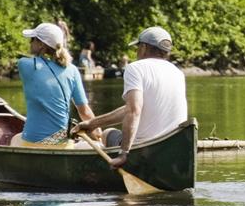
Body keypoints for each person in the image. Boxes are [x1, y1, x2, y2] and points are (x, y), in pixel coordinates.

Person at [71, 26, 187, 168]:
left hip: (144, 148)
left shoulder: (135, 68)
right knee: (109, 130)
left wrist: (124, 153)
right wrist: (93, 123)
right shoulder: (177, 73)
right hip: (172, 146)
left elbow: (134, 110)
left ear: (144, 47)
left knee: (108, 134)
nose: (137, 51)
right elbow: (132, 109)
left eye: (138, 47)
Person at [12, 22, 101, 147]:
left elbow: (39, 64)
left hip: (33, 141)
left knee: (15, 138)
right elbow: (84, 111)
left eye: (33, 39)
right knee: (82, 142)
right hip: (63, 144)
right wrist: (97, 132)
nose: (30, 43)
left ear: (41, 44)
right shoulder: (72, 70)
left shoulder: (25, 64)